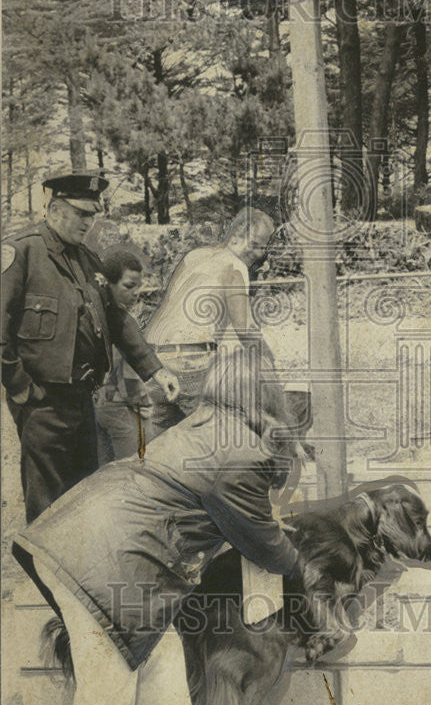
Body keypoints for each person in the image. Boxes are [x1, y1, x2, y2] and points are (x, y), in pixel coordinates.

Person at [12, 347, 302, 705]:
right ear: (265, 394)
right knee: (108, 690)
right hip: (103, 562)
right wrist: (297, 552)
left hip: (80, 538)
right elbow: (266, 545)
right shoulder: (241, 450)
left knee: (160, 659)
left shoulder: (202, 424)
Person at [1, 173, 179, 521]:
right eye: (81, 213)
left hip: (83, 399)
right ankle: (41, 575)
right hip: (43, 402)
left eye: (92, 214)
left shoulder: (88, 260)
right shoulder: (21, 252)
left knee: (82, 499)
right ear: (54, 209)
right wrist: (20, 387)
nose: (89, 221)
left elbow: (118, 320)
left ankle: (72, 576)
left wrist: (155, 369)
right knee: (49, 506)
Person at [143, 207, 277, 437]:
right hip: (191, 362)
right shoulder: (235, 266)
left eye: (263, 247)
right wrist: (269, 363)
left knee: (157, 449)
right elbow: (244, 329)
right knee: (216, 439)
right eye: (254, 244)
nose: (259, 253)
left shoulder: (194, 255)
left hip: (153, 363)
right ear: (235, 235)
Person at [94, 248, 154, 464]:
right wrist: (143, 405)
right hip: (117, 402)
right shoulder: (116, 320)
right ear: (107, 283)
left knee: (102, 471)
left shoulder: (97, 312)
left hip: (98, 402)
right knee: (132, 469)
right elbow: (123, 370)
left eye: (138, 287)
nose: (136, 293)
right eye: (129, 287)